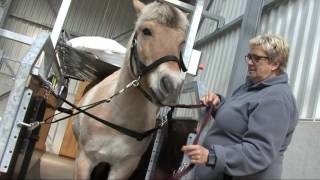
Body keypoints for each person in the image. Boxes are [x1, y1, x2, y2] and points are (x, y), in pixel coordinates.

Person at [181, 33, 298, 179]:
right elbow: (238, 119)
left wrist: (212, 156)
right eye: (250, 56)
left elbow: (258, 152)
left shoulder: (276, 99)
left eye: (257, 58)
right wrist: (218, 104)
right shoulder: (250, 87)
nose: (249, 62)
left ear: (275, 64)